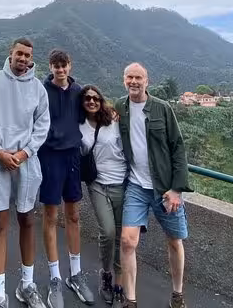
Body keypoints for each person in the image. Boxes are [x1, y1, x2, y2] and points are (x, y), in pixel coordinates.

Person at [112, 63, 192, 308]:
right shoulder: (119, 107)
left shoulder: (162, 108)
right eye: (129, 77)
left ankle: (177, 294)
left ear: (147, 81)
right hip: (135, 185)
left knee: (174, 240)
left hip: (164, 188)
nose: (133, 82)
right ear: (124, 80)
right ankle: (130, 300)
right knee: (127, 241)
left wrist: (177, 189)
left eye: (138, 77)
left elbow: (178, 147)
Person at [0, 37, 51, 308]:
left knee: (27, 220)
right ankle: (0, 294)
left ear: (32, 58)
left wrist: (22, 154)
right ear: (10, 54)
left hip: (26, 162)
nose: (23, 59)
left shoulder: (37, 89)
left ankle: (26, 285)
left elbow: (42, 126)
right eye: (19, 54)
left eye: (27, 55)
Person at [38, 49, 94, 307]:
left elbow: (88, 118)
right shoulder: (41, 90)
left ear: (70, 66)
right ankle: (54, 278)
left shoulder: (78, 91)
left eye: (64, 65)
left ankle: (75, 274)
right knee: (51, 217)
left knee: (73, 216)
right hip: (49, 157)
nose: (60, 70)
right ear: (50, 67)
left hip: (72, 157)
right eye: (55, 66)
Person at [78, 84, 128, 305]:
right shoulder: (79, 125)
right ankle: (105, 274)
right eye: (87, 98)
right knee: (107, 232)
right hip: (97, 184)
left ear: (101, 101)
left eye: (96, 98)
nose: (91, 101)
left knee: (120, 237)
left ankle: (119, 283)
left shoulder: (114, 122)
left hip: (121, 184)